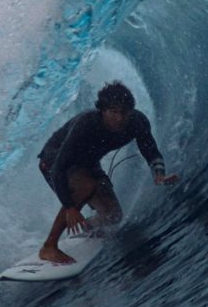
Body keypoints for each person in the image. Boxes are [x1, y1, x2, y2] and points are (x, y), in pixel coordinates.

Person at [37, 81, 179, 264]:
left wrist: (159, 174)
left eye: (124, 112)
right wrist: (70, 207)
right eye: (113, 112)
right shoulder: (86, 124)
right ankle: (49, 247)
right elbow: (58, 168)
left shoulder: (137, 122)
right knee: (86, 186)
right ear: (102, 110)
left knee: (113, 216)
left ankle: (87, 227)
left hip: (87, 164)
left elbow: (150, 150)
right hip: (53, 162)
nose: (119, 118)